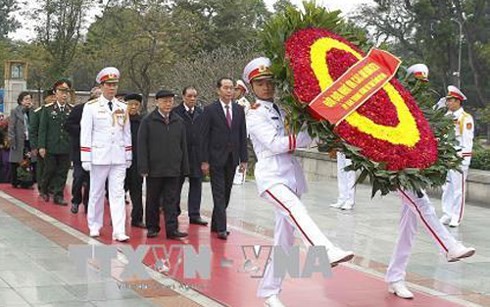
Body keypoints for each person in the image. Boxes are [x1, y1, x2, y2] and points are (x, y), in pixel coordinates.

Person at [243, 57, 354, 307]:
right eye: (260, 83)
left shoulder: (280, 109)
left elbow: (297, 135)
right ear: (252, 87)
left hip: (290, 175)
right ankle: (324, 249)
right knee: (296, 210)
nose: (267, 87)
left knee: (284, 241)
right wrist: (304, 137)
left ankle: (269, 292)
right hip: (271, 176)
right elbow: (275, 144)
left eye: (270, 82)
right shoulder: (253, 113)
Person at [385, 65, 476, 299]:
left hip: (414, 169)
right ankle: (449, 246)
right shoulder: (393, 101)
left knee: (409, 228)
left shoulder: (423, 108)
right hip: (396, 169)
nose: (420, 88)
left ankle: (395, 277)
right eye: (417, 83)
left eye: (423, 84)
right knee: (423, 205)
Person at [80, 67, 132, 242]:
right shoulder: (91, 107)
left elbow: (126, 132)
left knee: (118, 193)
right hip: (99, 155)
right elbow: (86, 133)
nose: (112, 88)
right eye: (109, 85)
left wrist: (128, 154)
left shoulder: (122, 106)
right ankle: (94, 225)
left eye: (115, 85)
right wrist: (86, 156)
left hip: (118, 156)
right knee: (96, 192)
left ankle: (119, 229)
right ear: (101, 86)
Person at [200, 77, 248, 240]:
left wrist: (244, 159)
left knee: (226, 192)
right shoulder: (210, 110)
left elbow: (242, 135)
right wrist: (204, 160)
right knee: (218, 192)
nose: (229, 91)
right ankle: (221, 227)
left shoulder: (239, 110)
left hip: (232, 157)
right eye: (226, 88)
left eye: (232, 88)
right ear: (218, 90)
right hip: (215, 158)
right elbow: (204, 137)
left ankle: (215, 223)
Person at [138, 89, 189, 239]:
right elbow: (142, 145)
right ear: (157, 102)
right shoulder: (148, 121)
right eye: (165, 101)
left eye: (170, 101)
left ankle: (172, 229)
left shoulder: (178, 121)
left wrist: (184, 167)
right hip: (154, 168)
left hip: (173, 168)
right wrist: (143, 167)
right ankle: (152, 227)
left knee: (172, 200)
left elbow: (183, 146)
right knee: (152, 199)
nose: (168, 104)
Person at [172, 86, 207, 226]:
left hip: (197, 155)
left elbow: (205, 137)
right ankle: (174, 211)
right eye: (189, 96)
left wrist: (205, 159)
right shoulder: (175, 113)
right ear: (183, 96)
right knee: (176, 186)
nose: (192, 99)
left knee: (196, 185)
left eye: (194, 96)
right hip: (180, 155)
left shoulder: (201, 113)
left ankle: (195, 214)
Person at [439, 85, 474, 228]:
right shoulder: (446, 116)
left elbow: (467, 140)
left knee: (458, 189)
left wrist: (464, 160)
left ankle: (456, 216)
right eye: (447, 100)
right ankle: (447, 213)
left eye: (451, 100)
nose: (448, 103)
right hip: (447, 157)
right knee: (446, 187)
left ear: (458, 101)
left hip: (458, 158)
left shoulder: (465, 118)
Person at [65, 87, 101, 214]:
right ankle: (76, 201)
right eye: (96, 94)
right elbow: (68, 125)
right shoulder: (79, 109)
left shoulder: (103, 111)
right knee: (78, 177)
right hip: (79, 149)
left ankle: (88, 204)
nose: (98, 97)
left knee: (92, 180)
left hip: (96, 151)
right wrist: (84, 130)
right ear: (91, 95)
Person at [38, 80, 73, 205]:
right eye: (61, 92)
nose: (64, 95)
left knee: (62, 172)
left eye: (66, 92)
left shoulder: (71, 110)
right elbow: (43, 129)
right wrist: (41, 146)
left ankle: (58, 195)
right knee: (50, 169)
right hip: (51, 146)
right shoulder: (47, 109)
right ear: (55, 93)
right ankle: (44, 189)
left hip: (65, 146)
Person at [124, 93, 145, 228]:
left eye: (136, 105)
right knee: (118, 192)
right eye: (130, 104)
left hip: (137, 161)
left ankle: (137, 218)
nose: (133, 107)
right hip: (120, 162)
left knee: (137, 191)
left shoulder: (143, 122)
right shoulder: (119, 121)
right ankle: (117, 217)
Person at [8, 92, 33, 188]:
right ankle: (15, 181)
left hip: (28, 139)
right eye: (26, 99)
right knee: (16, 160)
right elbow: (11, 127)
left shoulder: (31, 111)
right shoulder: (15, 111)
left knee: (28, 159)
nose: (28, 101)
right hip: (18, 139)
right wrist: (12, 140)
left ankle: (26, 181)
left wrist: (31, 110)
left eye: (30, 99)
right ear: (21, 100)